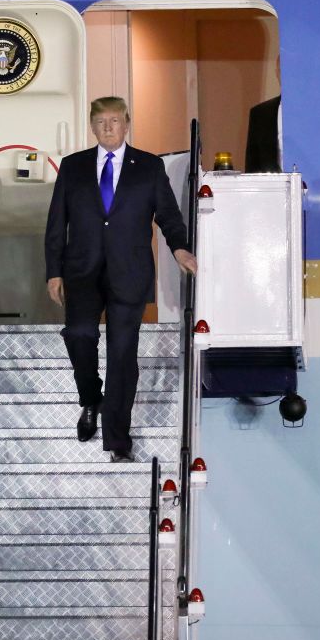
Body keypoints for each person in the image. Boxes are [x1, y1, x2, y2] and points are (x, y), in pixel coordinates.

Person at [44, 97, 197, 462]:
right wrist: (53, 271)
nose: (108, 128)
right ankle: (90, 399)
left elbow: (169, 215)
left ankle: (117, 441)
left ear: (127, 123)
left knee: (122, 356)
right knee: (80, 335)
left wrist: (180, 249)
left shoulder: (148, 166)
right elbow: (55, 224)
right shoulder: (73, 166)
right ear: (92, 127)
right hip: (81, 271)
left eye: (115, 121)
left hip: (129, 272)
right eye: (101, 122)